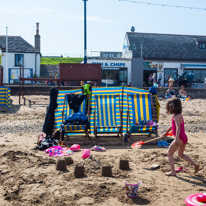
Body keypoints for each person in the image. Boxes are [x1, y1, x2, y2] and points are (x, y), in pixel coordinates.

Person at [163, 98, 199, 176]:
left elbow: (178, 127)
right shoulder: (178, 115)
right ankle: (195, 165)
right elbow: (173, 126)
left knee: (169, 154)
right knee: (181, 154)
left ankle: (173, 172)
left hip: (179, 138)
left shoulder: (176, 117)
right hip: (184, 137)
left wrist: (176, 140)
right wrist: (166, 132)